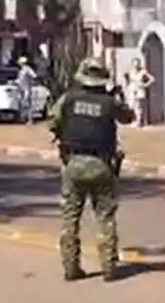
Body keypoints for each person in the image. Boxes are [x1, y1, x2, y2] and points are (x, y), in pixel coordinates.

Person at [48, 58, 133, 282]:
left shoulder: (69, 99)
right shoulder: (109, 102)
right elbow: (128, 117)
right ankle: (109, 266)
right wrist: (118, 98)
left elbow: (52, 123)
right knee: (105, 218)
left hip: (73, 163)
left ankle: (70, 267)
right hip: (102, 165)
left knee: (70, 218)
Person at [125, 57, 155, 127]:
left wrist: (145, 85)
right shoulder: (130, 71)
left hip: (139, 89)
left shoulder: (143, 71)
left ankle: (139, 122)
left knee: (138, 106)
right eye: (134, 64)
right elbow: (128, 80)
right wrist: (127, 86)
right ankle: (136, 120)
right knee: (132, 105)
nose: (136, 65)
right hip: (132, 89)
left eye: (137, 64)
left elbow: (152, 79)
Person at [15, 56, 38, 124]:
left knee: (27, 104)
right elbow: (19, 79)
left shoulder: (27, 69)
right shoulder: (21, 70)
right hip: (21, 88)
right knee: (21, 104)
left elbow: (34, 76)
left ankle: (30, 119)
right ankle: (22, 118)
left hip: (27, 88)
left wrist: (31, 81)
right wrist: (15, 82)